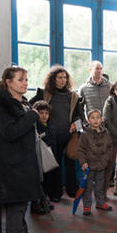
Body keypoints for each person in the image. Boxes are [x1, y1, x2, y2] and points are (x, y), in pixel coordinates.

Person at [0, 66, 45, 233]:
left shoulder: (22, 102)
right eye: (20, 79)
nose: (25, 83)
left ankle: (21, 232)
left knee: (23, 199)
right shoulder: (2, 105)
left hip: (22, 159)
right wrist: (32, 116)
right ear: (9, 82)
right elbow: (10, 132)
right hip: (11, 162)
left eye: (26, 79)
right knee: (17, 202)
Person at [30, 66, 82, 200]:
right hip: (50, 135)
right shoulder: (44, 94)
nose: (63, 80)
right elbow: (31, 107)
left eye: (65, 77)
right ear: (53, 79)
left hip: (69, 133)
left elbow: (79, 115)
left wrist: (75, 125)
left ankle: (72, 190)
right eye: (59, 77)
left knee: (70, 163)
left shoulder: (73, 96)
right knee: (54, 164)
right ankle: (55, 193)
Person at [77, 109, 114, 214]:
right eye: (92, 118)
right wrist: (83, 162)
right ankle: (87, 206)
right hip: (89, 166)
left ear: (101, 119)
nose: (95, 120)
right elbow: (80, 150)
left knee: (100, 186)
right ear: (88, 120)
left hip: (101, 165)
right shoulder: (84, 134)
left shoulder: (106, 133)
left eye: (98, 117)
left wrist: (106, 159)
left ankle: (100, 203)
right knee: (88, 187)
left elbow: (110, 147)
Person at [31, 100, 57, 214]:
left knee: (47, 181)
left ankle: (44, 200)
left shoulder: (51, 126)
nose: (44, 116)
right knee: (38, 182)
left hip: (49, 158)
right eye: (41, 113)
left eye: (46, 113)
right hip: (39, 158)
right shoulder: (35, 127)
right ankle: (35, 204)